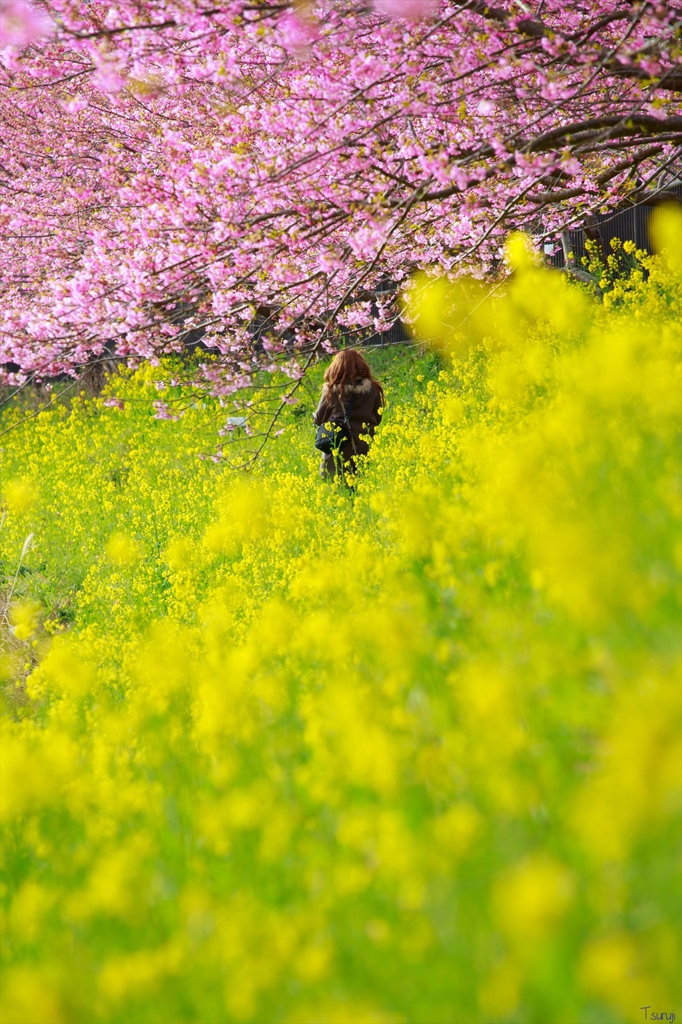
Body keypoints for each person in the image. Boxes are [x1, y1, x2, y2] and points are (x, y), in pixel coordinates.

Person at [313, 349, 385, 481]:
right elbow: (378, 417)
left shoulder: (332, 389)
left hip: (338, 445)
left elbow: (319, 419)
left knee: (338, 489)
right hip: (365, 446)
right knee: (362, 486)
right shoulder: (374, 389)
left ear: (337, 367)